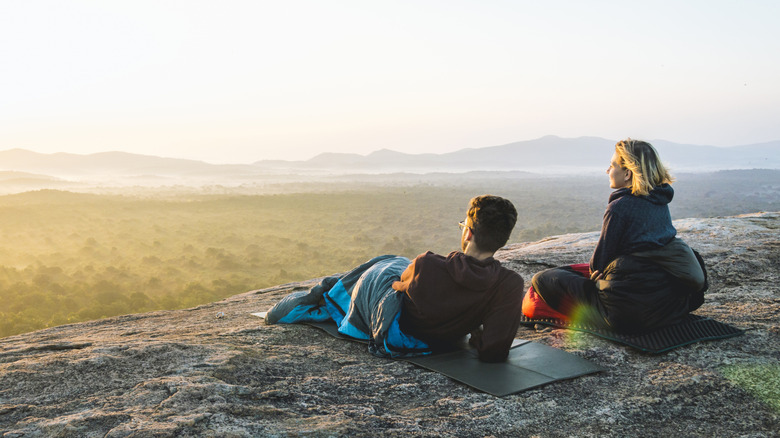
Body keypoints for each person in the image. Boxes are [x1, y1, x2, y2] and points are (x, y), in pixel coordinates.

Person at [265, 195, 525, 362]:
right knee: (393, 264)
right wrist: (476, 331)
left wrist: (404, 284)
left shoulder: (428, 264)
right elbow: (494, 350)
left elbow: (399, 285)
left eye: (462, 226)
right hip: (439, 339)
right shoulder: (509, 285)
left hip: (396, 328)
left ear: (468, 234)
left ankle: (321, 294)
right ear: (502, 240)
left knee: (387, 262)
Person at [527, 139, 707, 332]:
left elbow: (598, 265)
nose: (607, 170)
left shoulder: (619, 207)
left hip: (623, 311)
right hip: (665, 305)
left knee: (543, 279)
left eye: (612, 165)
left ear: (628, 174)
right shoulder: (659, 199)